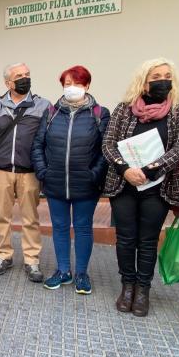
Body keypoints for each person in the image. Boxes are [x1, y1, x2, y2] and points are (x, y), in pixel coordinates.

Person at [101, 58, 179, 316]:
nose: (162, 80)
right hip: (124, 185)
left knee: (148, 240)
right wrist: (125, 169)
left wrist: (150, 170)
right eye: (155, 76)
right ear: (143, 81)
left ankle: (143, 289)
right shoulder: (123, 109)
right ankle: (127, 286)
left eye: (166, 75)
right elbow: (108, 143)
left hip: (158, 187)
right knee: (126, 239)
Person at [32, 65, 109, 293]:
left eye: (77, 83)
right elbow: (38, 145)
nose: (72, 88)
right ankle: (63, 271)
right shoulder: (51, 112)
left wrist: (94, 174)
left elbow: (107, 149)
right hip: (55, 182)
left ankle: (82, 274)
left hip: (86, 184)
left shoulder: (99, 114)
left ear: (87, 86)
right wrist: (43, 172)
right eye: (67, 84)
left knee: (83, 228)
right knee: (60, 227)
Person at [0, 63, 50, 282]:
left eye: (27, 74)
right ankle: (4, 255)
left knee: (30, 218)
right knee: (1, 216)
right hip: (1, 171)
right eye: (19, 76)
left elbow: (49, 140)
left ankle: (31, 260)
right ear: (8, 82)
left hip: (30, 172)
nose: (25, 78)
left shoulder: (43, 106)